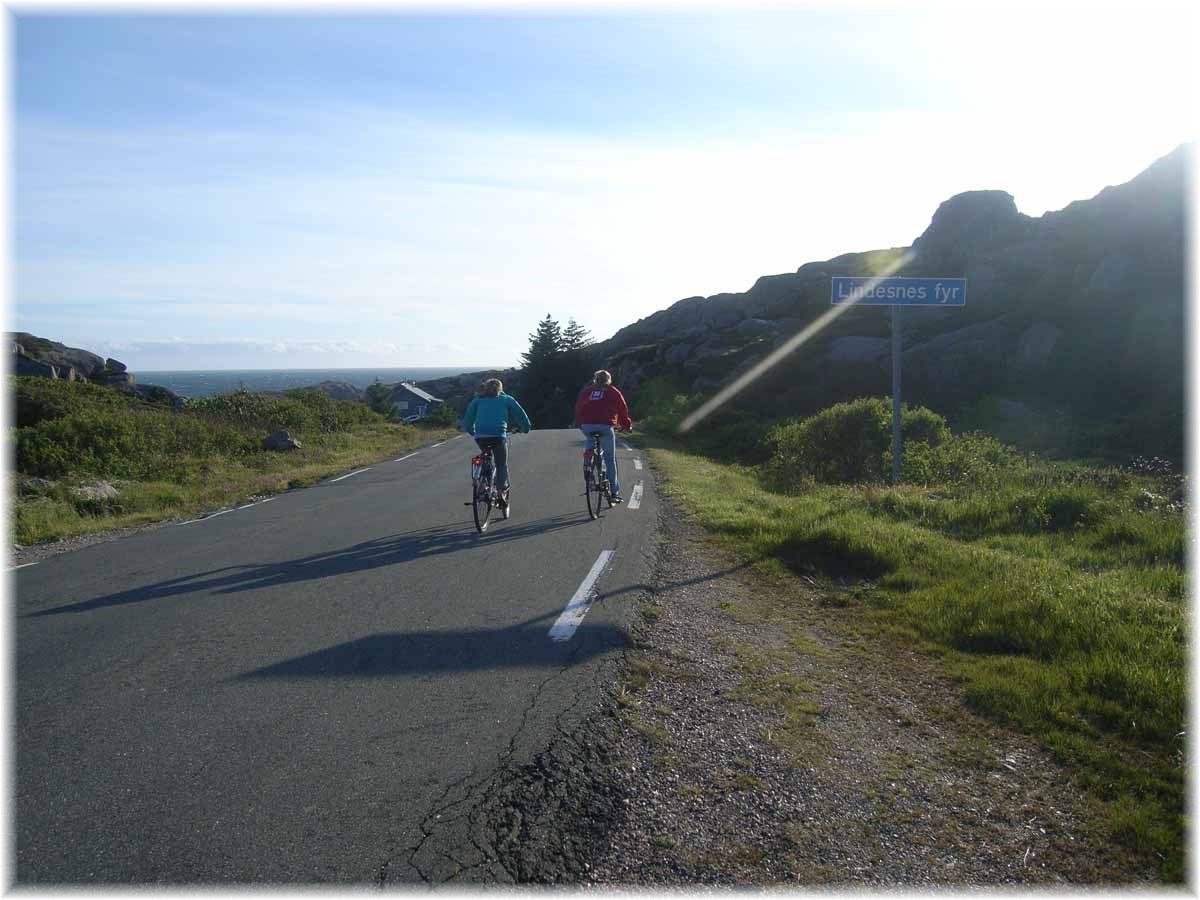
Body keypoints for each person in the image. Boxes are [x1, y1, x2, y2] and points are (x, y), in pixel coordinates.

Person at [461, 378, 532, 509]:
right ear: (501, 389)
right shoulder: (507, 399)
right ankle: (501, 493)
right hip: (499, 436)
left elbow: (468, 420)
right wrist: (525, 428)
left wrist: (473, 432)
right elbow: (521, 415)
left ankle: (481, 484)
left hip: (480, 437)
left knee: (484, 457)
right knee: (501, 464)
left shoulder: (477, 400)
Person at [574, 369, 633, 503]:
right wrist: (626, 426)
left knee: (590, 445)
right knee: (609, 458)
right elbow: (622, 409)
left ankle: (588, 467)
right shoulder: (613, 391)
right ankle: (614, 493)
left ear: (595, 379)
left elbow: (578, 407)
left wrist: (579, 423)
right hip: (605, 426)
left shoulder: (587, 391)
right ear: (608, 379)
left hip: (587, 426)